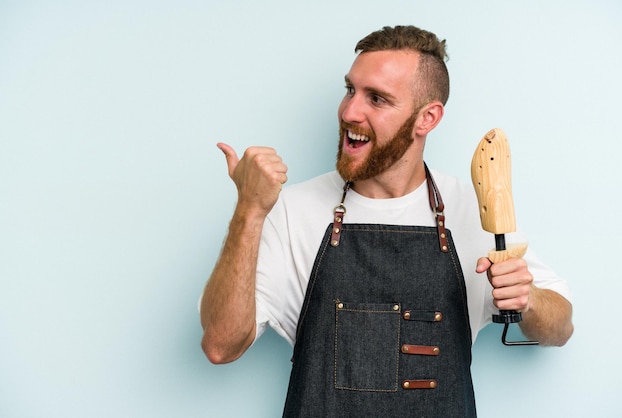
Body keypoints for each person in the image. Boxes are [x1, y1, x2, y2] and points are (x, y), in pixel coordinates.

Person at [199, 25, 574, 417]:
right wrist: (249, 210)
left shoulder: (472, 210)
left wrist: (527, 300)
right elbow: (221, 346)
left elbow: (561, 326)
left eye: (376, 98)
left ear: (427, 118)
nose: (349, 111)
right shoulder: (292, 210)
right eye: (350, 90)